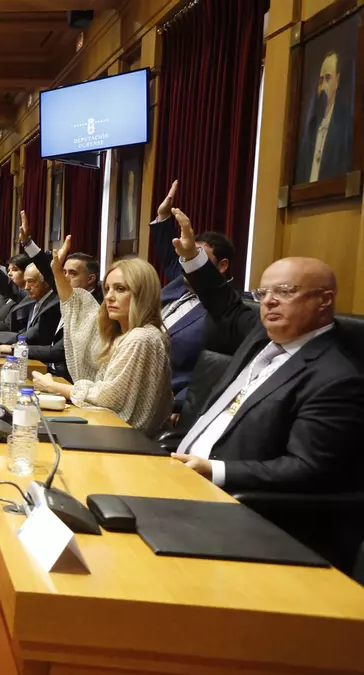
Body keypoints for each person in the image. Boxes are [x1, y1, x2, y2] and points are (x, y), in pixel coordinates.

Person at [167, 209, 364, 492]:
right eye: (263, 293)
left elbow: (308, 467)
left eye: (284, 291)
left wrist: (216, 471)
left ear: (324, 300)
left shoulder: (336, 379)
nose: (269, 301)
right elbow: (224, 303)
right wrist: (191, 257)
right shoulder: (261, 335)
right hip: (178, 474)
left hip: (231, 499)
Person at [31, 235, 172, 433]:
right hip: (108, 429)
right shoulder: (123, 333)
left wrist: (54, 387)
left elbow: (109, 397)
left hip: (124, 438)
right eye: (107, 289)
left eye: (120, 289)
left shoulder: (142, 338)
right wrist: (56, 273)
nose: (109, 297)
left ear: (142, 294)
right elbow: (77, 307)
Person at [150, 180, 240, 404]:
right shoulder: (180, 280)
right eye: (187, 258)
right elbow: (170, 253)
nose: (188, 265)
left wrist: (183, 407)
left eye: (197, 258)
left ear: (222, 265)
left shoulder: (229, 308)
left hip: (169, 396)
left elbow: (212, 371)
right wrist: (163, 216)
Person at [296, 50, 353, 184]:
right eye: (321, 80)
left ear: (337, 81)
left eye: (328, 78)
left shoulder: (345, 125)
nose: (322, 87)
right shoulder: (310, 128)